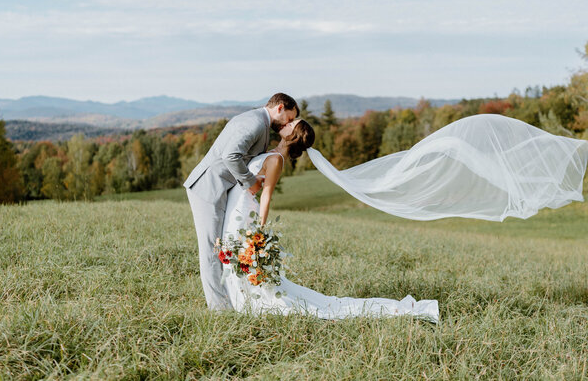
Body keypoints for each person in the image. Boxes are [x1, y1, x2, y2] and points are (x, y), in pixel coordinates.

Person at [220, 119, 441, 322]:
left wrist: (259, 231)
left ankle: (248, 300)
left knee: (246, 260)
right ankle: (240, 297)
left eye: (290, 124)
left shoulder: (276, 160)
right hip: (238, 209)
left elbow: (266, 195)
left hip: (247, 213)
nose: (285, 124)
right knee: (236, 257)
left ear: (292, 135)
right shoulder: (270, 151)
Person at [184, 93, 298, 310]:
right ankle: (219, 309)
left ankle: (227, 301)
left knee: (219, 247)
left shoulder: (257, 121)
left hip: (219, 189)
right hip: (208, 187)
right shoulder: (255, 123)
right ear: (280, 108)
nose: (288, 123)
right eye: (289, 118)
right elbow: (231, 156)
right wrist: (251, 182)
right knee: (210, 250)